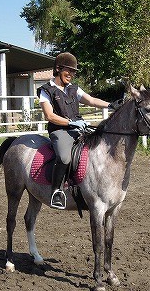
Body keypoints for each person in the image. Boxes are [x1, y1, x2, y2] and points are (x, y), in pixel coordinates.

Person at [37, 52, 114, 209]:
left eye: (73, 72)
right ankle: (56, 191)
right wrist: (71, 123)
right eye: (69, 71)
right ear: (58, 69)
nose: (71, 74)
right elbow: (49, 115)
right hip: (60, 131)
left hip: (78, 129)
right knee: (64, 158)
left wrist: (110, 105)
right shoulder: (46, 90)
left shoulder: (73, 89)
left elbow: (91, 100)